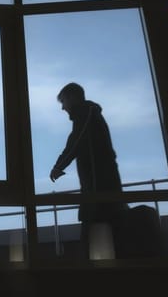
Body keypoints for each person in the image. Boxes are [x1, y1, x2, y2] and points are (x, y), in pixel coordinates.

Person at [49, 82, 129, 259]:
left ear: (72, 97)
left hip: (97, 187)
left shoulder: (85, 115)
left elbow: (75, 142)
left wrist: (58, 167)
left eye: (63, 101)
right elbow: (76, 141)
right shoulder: (89, 114)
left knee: (94, 231)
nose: (63, 108)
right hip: (101, 184)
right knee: (111, 229)